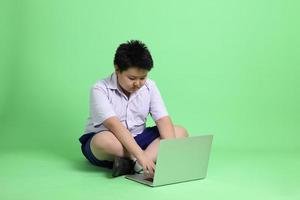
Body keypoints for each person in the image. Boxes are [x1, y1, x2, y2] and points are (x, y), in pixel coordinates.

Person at [79, 40, 189, 178]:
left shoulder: (150, 86)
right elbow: (114, 126)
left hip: (138, 137)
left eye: (143, 78)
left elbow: (162, 119)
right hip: (111, 139)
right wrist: (140, 154)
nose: (137, 83)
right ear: (117, 69)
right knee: (102, 141)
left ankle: (134, 164)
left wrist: (171, 152)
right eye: (131, 78)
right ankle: (145, 158)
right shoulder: (100, 89)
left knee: (179, 131)